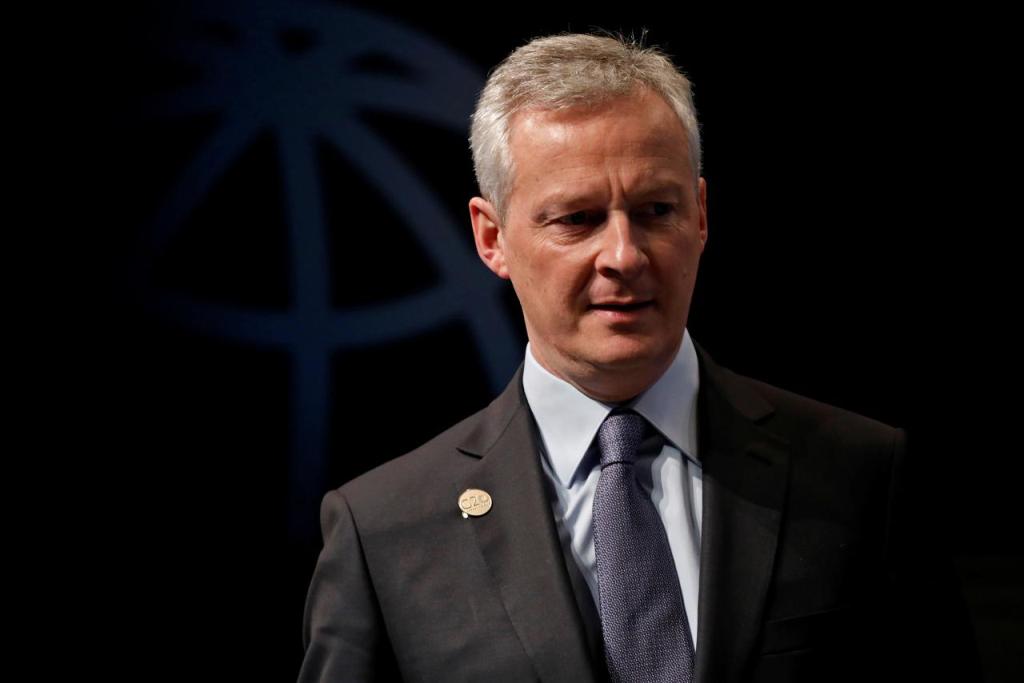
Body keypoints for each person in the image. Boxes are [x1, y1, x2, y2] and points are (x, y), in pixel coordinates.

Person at [298, 33, 980, 682]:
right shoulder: (384, 532)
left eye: (656, 210)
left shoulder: (859, 476)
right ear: (492, 236)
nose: (624, 255)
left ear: (702, 216)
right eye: (577, 219)